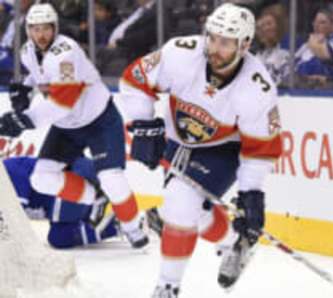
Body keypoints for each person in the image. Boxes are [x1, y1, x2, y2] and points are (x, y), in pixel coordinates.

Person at [118, 3, 283, 297]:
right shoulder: (180, 53)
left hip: (224, 147)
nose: (215, 48)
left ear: (244, 45)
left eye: (226, 42)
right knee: (186, 207)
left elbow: (260, 148)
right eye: (213, 37)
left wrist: (251, 193)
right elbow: (134, 80)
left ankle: (167, 287)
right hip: (179, 138)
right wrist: (144, 123)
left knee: (180, 203)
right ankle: (234, 242)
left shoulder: (257, 88)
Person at [0, 3, 148, 248]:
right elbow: (39, 74)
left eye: (46, 28)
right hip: (67, 128)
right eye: (35, 29)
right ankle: (95, 199)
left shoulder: (65, 53)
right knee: (42, 179)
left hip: (99, 121)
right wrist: (25, 87)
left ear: (55, 28)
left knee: (111, 178)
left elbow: (65, 101)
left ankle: (132, 227)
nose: (41, 34)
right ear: (28, 30)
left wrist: (26, 119)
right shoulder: (28, 50)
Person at [3, 156, 118, 249]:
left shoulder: (8, 171)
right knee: (58, 239)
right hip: (62, 209)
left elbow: (12, 218)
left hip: (69, 189)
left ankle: (109, 195)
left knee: (76, 163)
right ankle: (115, 224)